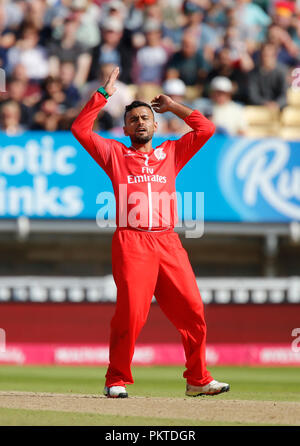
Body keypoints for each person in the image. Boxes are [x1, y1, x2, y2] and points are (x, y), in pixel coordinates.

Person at [71, 66, 230, 398]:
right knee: (131, 313)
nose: (140, 122)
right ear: (126, 127)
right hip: (132, 240)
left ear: (155, 124)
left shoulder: (171, 152)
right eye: (133, 119)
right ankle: (116, 378)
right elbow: (80, 130)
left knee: (193, 310)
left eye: (145, 118)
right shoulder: (115, 153)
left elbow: (206, 128)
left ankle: (197, 379)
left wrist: (173, 106)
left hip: (168, 240)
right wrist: (103, 95)